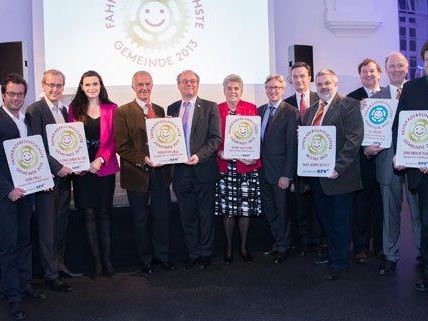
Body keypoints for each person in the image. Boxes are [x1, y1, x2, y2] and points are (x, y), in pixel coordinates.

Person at [364, 52, 421, 275]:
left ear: (407, 68)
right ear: (385, 70)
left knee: (419, 212)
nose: (396, 69)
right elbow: (367, 134)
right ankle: (390, 255)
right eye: (392, 66)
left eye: (400, 65)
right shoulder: (374, 99)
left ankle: (423, 254)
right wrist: (367, 149)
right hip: (387, 161)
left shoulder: (419, 91)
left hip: (416, 161)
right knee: (389, 212)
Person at [303, 69, 363, 280]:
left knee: (340, 222)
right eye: (319, 84)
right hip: (318, 178)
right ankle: (334, 254)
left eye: (327, 83)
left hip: (341, 177)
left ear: (336, 84)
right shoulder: (310, 112)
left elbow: (354, 140)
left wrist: (338, 167)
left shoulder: (348, 105)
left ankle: (339, 263)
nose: (323, 87)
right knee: (326, 219)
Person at [114, 71, 175, 274]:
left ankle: (163, 256)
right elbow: (121, 147)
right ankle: (146, 260)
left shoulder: (158, 109)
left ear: (152, 86)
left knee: (162, 217)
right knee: (140, 219)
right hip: (137, 175)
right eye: (139, 84)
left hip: (160, 175)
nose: (144, 88)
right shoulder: (122, 112)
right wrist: (144, 159)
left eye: (147, 84)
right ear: (133, 87)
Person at [26, 70, 82, 294]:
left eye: (59, 85)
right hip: (47, 181)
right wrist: (58, 168)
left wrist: (75, 163)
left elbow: (67, 144)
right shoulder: (35, 110)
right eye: (51, 85)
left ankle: (59, 265)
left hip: (63, 180)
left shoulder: (64, 110)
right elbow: (36, 146)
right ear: (43, 85)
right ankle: (50, 275)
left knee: (61, 226)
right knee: (47, 230)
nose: (55, 89)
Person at [0, 73, 46, 320]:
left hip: (27, 192)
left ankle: (26, 284)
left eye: (20, 94)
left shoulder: (27, 119)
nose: (16, 98)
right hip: (6, 196)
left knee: (25, 242)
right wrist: (8, 189)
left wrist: (41, 180)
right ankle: (13, 295)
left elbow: (33, 154)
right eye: (12, 94)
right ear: (3, 94)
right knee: (7, 246)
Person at [167, 70, 221, 270]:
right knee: (187, 215)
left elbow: (215, 139)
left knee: (205, 215)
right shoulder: (171, 108)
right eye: (184, 81)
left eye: (192, 81)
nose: (188, 84)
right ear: (178, 84)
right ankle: (193, 253)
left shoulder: (209, 107)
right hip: (180, 172)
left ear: (198, 84)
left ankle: (206, 253)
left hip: (203, 169)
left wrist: (199, 156)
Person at [68, 70, 119, 278]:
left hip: (103, 167)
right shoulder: (73, 109)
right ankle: (96, 262)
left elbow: (115, 139)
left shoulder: (112, 108)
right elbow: (69, 139)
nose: (91, 88)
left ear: (101, 86)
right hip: (82, 170)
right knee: (88, 214)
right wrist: (79, 161)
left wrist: (101, 159)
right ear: (81, 86)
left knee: (104, 214)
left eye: (95, 84)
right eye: (87, 84)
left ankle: (107, 261)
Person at [392, 40, 428, 292]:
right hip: (421, 173)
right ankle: (426, 271)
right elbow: (400, 125)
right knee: (426, 225)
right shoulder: (412, 89)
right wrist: (400, 153)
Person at [215, 74, 262, 264]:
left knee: (244, 209)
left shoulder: (250, 109)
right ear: (224, 90)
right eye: (229, 88)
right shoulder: (216, 110)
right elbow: (213, 138)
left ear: (241, 90)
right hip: (226, 167)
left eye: (236, 88)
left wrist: (253, 156)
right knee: (228, 210)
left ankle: (243, 247)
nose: (233, 91)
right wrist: (219, 153)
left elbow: (257, 137)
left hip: (246, 167)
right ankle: (228, 248)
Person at [259, 74, 299, 264]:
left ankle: (284, 246)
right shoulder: (260, 111)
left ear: (283, 89)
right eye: (269, 87)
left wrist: (287, 175)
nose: (273, 91)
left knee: (282, 211)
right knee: (270, 210)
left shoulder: (291, 112)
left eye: (277, 87)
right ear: (265, 90)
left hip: (280, 173)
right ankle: (278, 241)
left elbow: (292, 146)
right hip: (262, 171)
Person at [347, 58, 384, 263]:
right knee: (361, 206)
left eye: (371, 71)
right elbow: (349, 131)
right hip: (362, 160)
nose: (368, 75)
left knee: (382, 206)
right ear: (359, 75)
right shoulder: (352, 99)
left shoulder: (390, 96)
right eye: (364, 71)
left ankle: (380, 246)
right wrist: (364, 148)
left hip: (386, 160)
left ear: (379, 73)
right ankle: (360, 248)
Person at [284, 62, 323, 255]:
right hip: (296, 163)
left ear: (310, 78)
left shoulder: (321, 99)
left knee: (319, 204)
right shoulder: (287, 104)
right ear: (291, 80)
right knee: (300, 205)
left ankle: (319, 241)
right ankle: (304, 241)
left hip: (318, 160)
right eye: (295, 77)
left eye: (302, 76)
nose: (299, 80)